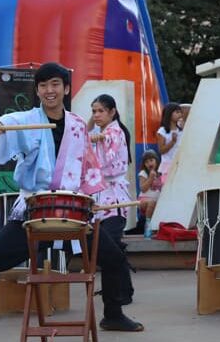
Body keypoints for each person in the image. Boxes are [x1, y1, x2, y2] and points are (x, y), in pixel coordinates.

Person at [0, 63, 143, 342]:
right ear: (38, 90)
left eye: (55, 84)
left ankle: (112, 315)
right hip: (35, 209)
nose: (49, 90)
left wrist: (90, 200)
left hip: (72, 210)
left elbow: (88, 165)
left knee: (113, 257)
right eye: (43, 85)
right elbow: (9, 123)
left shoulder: (78, 125)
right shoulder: (28, 119)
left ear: (66, 89)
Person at [89, 94, 136, 305]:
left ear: (112, 112)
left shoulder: (113, 133)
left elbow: (104, 162)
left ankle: (121, 293)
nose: (96, 115)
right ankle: (122, 291)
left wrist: (95, 139)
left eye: (100, 111)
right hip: (103, 197)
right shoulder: (104, 132)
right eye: (93, 111)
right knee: (110, 246)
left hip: (114, 198)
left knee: (110, 246)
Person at [138, 149, 163, 239]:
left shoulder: (160, 174)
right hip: (144, 201)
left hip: (156, 201)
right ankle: (148, 226)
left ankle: (158, 229)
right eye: (146, 162)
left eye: (151, 160)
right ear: (144, 164)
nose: (149, 163)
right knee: (152, 203)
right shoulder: (143, 173)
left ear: (156, 161)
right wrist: (151, 178)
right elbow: (143, 188)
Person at [157, 102, 183, 177]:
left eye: (180, 112)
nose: (180, 114)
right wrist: (172, 142)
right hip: (167, 165)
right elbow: (161, 150)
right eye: (177, 112)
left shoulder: (181, 131)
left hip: (179, 164)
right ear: (169, 114)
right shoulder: (162, 131)